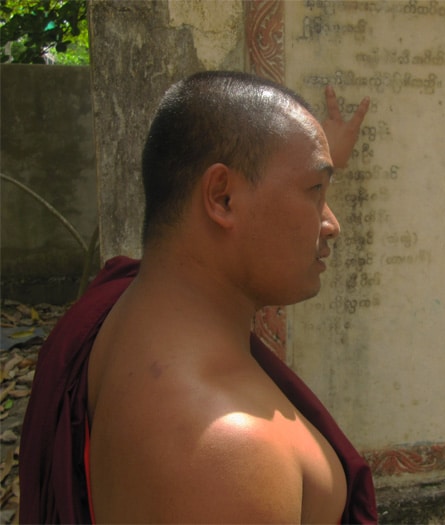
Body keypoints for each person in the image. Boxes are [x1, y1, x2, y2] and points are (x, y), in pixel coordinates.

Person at [19, 71, 376, 523]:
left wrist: (315, 169)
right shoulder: (228, 455)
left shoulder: (129, 302)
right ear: (222, 199)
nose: (331, 224)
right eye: (315, 191)